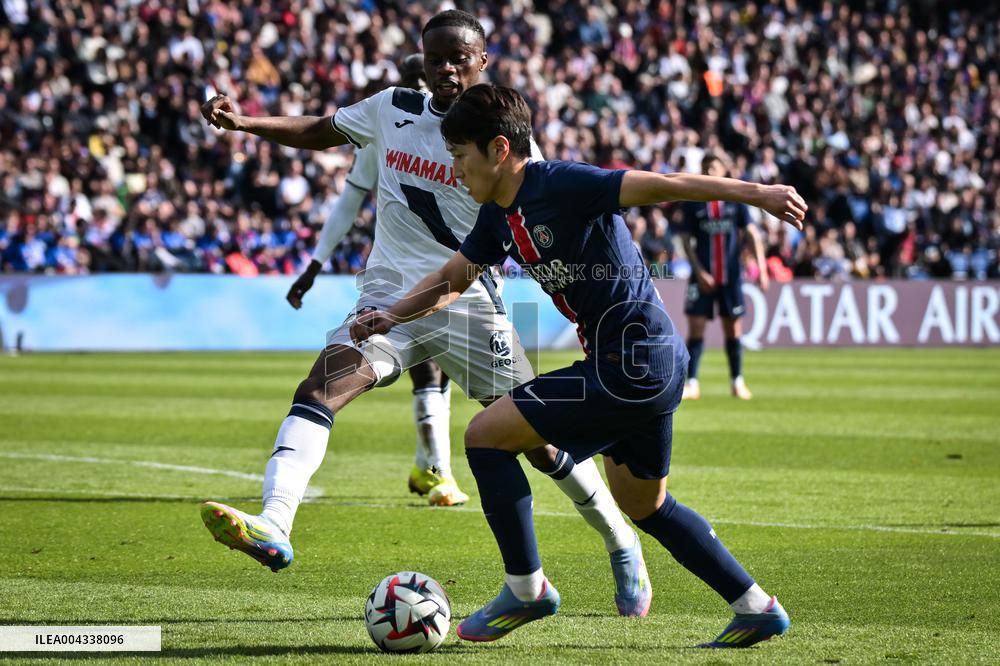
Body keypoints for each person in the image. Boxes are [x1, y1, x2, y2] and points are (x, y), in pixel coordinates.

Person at [198, 10, 650, 618]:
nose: (445, 69)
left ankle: (621, 542)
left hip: (467, 305)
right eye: (435, 58)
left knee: (539, 446)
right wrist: (247, 122)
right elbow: (318, 129)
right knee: (320, 388)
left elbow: (540, 220)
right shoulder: (392, 108)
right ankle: (275, 523)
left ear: (481, 61)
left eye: (458, 58)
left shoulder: (507, 139)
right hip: (385, 300)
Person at [351, 84, 807, 647]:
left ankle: (526, 588)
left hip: (632, 361)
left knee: (485, 437)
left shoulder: (560, 184)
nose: (454, 167)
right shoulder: (498, 217)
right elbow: (453, 279)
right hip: (642, 363)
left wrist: (758, 193)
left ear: (498, 150)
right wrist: (389, 317)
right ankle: (756, 606)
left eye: (460, 155)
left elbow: (663, 185)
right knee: (644, 503)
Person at [284, 54, 464, 505]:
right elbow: (350, 198)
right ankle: (436, 470)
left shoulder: (465, 130)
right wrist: (315, 263)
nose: (418, 89)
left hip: (454, 268)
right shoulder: (387, 126)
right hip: (398, 266)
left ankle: (432, 467)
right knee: (421, 367)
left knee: (439, 372)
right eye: (410, 81)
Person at [679, 154, 769, 401]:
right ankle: (692, 382)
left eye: (714, 167)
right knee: (696, 327)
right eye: (705, 167)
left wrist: (761, 268)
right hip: (702, 276)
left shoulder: (734, 199)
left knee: (733, 328)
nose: (709, 171)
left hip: (730, 276)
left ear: (723, 170)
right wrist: (699, 271)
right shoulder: (693, 201)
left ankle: (737, 381)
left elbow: (751, 233)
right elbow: (687, 241)